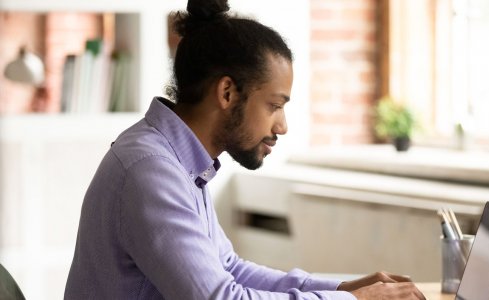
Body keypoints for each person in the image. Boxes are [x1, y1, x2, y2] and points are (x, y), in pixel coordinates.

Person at [64, 0, 426, 299]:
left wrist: (342, 288)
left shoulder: (177, 161)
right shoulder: (151, 169)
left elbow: (229, 269)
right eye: (275, 105)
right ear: (227, 93)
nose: (282, 126)